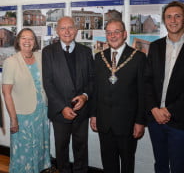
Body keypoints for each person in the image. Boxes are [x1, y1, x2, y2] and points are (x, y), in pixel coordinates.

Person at [90, 19, 146, 173]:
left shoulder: (138, 58)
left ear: (125, 34)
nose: (113, 36)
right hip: (104, 122)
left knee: (127, 163)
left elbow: (143, 93)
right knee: (108, 164)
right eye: (109, 33)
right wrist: (93, 115)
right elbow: (95, 90)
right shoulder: (99, 57)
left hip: (127, 124)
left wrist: (140, 121)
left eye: (116, 32)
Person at [42, 16, 94, 173]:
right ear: (57, 31)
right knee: (61, 149)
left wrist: (85, 96)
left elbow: (92, 79)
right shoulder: (48, 52)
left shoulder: (86, 51)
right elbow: (48, 83)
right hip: (60, 112)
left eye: (70, 27)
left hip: (82, 111)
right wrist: (63, 107)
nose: (67, 31)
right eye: (63, 28)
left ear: (76, 31)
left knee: (81, 148)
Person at [2, 28, 51, 173]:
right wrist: (13, 119)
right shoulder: (11, 62)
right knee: (24, 151)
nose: (27, 41)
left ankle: (38, 169)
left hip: (41, 112)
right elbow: (6, 93)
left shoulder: (40, 57)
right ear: (18, 41)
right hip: (23, 116)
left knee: (40, 146)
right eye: (24, 38)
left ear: (35, 41)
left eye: (31, 38)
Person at [145, 1, 184, 173]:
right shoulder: (155, 47)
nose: (173, 20)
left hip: (180, 121)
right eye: (169, 16)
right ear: (164, 20)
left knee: (178, 167)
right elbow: (146, 81)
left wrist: (169, 111)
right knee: (160, 165)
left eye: (178, 16)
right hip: (155, 120)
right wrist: (154, 108)